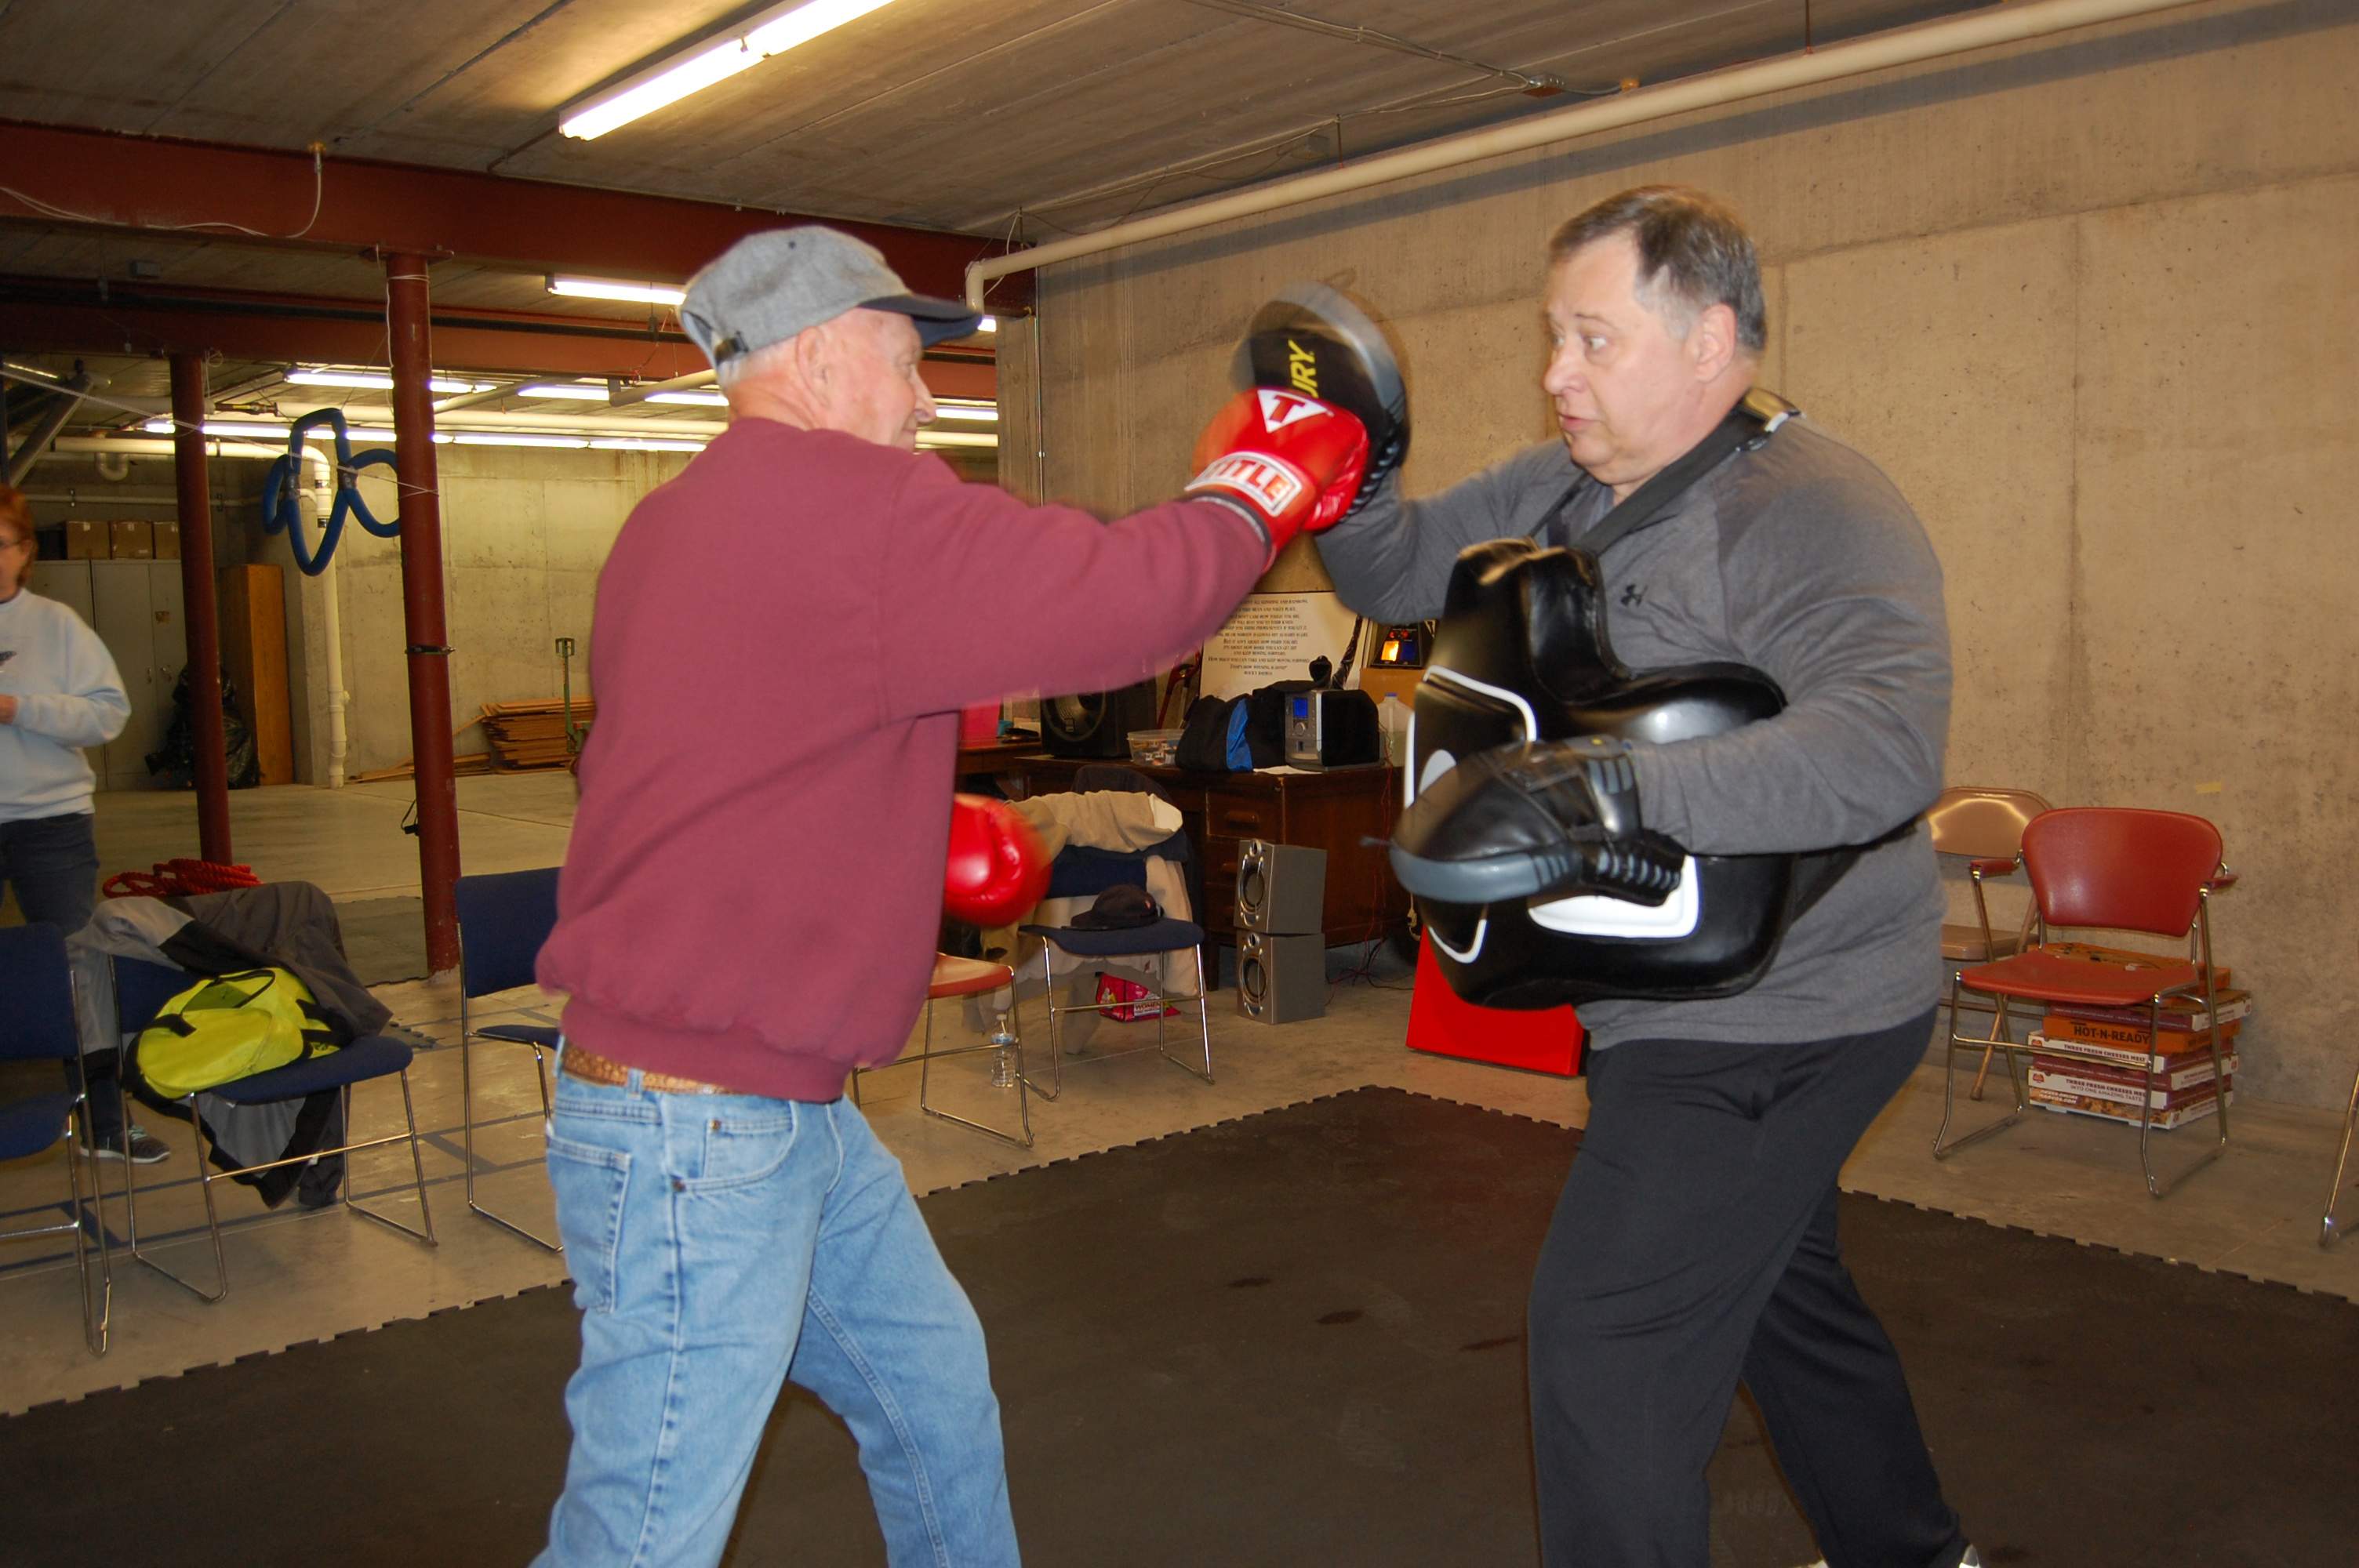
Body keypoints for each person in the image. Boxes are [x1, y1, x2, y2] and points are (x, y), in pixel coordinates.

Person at [529, 225, 1369, 1568]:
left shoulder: (665, 528)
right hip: (707, 1133)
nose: (927, 400)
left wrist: (894, 821)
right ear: (813, 359)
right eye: (905, 360)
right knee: (638, 1541)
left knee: (931, 1395)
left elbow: (693, 760)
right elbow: (1127, 604)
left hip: (763, 1107)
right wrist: (1251, 484)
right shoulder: (858, 508)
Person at [1314, 187, 1976, 1568]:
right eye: (1551, 337)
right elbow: (1388, 577)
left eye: (1591, 340)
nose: (1557, 374)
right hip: (1661, 996)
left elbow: (1879, 751)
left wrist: (1597, 790)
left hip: (1789, 1014)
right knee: (1779, 1295)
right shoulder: (1562, 481)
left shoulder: (1814, 510)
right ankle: (1909, 1552)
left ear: (1707, 339)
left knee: (1606, 1337)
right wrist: (1345, 469)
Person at [0, 485, 167, 1164]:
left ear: (25, 553)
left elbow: (107, 714)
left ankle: (103, 1119)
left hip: (51, 822)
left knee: (78, 963)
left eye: (0, 544)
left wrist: (20, 708)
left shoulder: (59, 626)